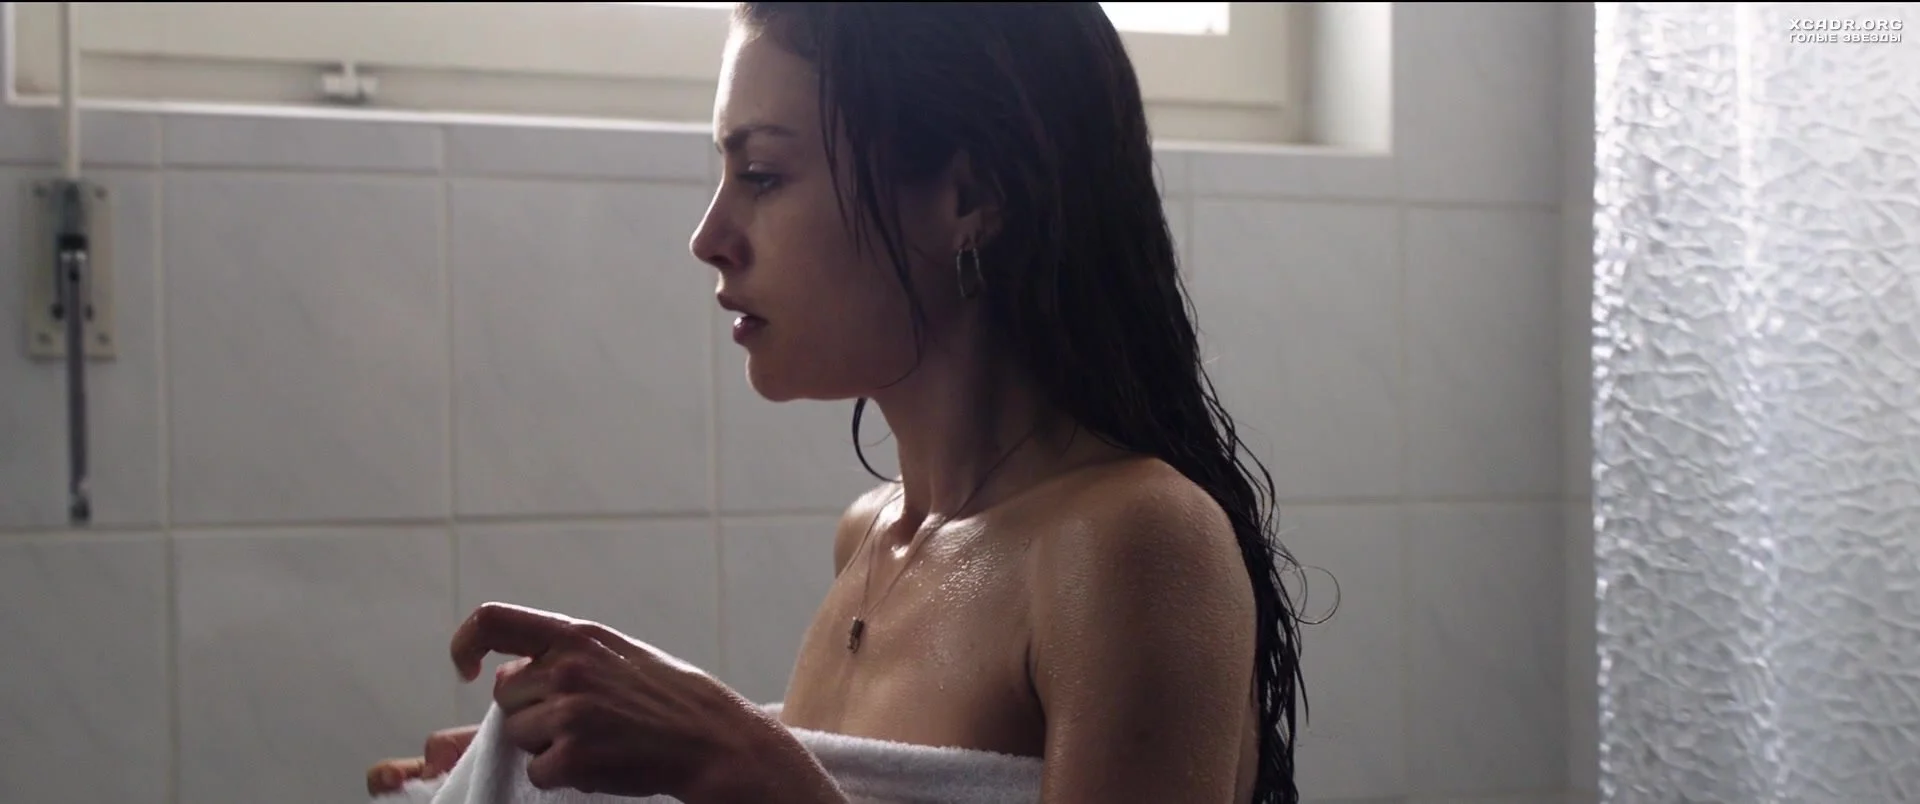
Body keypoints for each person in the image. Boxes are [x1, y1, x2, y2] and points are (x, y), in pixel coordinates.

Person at [366, 3, 1310, 802]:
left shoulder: (1133, 541)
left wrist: (737, 761)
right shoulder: (869, 537)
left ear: (967, 196)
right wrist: (569, 755)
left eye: (763, 175)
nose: (709, 236)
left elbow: (786, 784)